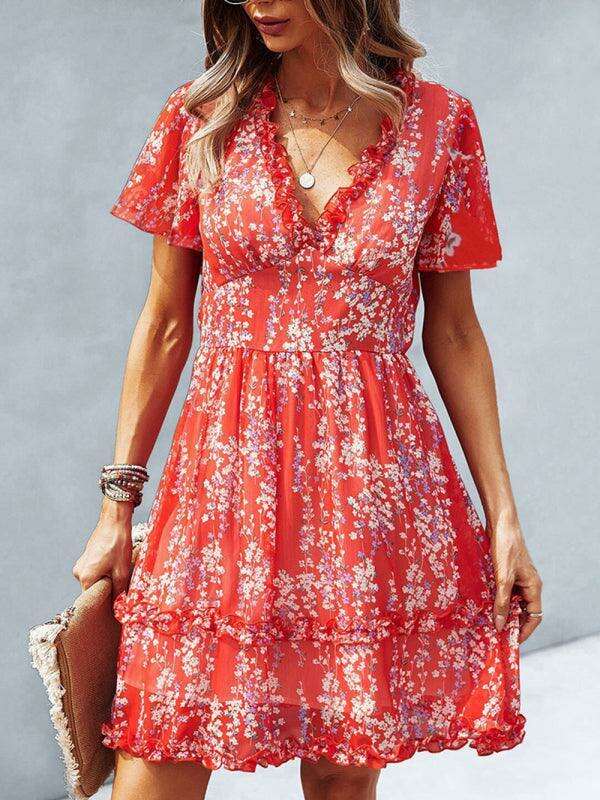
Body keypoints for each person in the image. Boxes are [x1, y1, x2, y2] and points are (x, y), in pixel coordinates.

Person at [72, 2, 543, 798]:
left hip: (370, 493)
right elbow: (164, 323)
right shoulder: (202, 118)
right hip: (224, 487)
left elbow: (456, 332)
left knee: (340, 776)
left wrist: (504, 520)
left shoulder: (440, 125)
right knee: (159, 747)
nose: (258, 3)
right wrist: (116, 508)